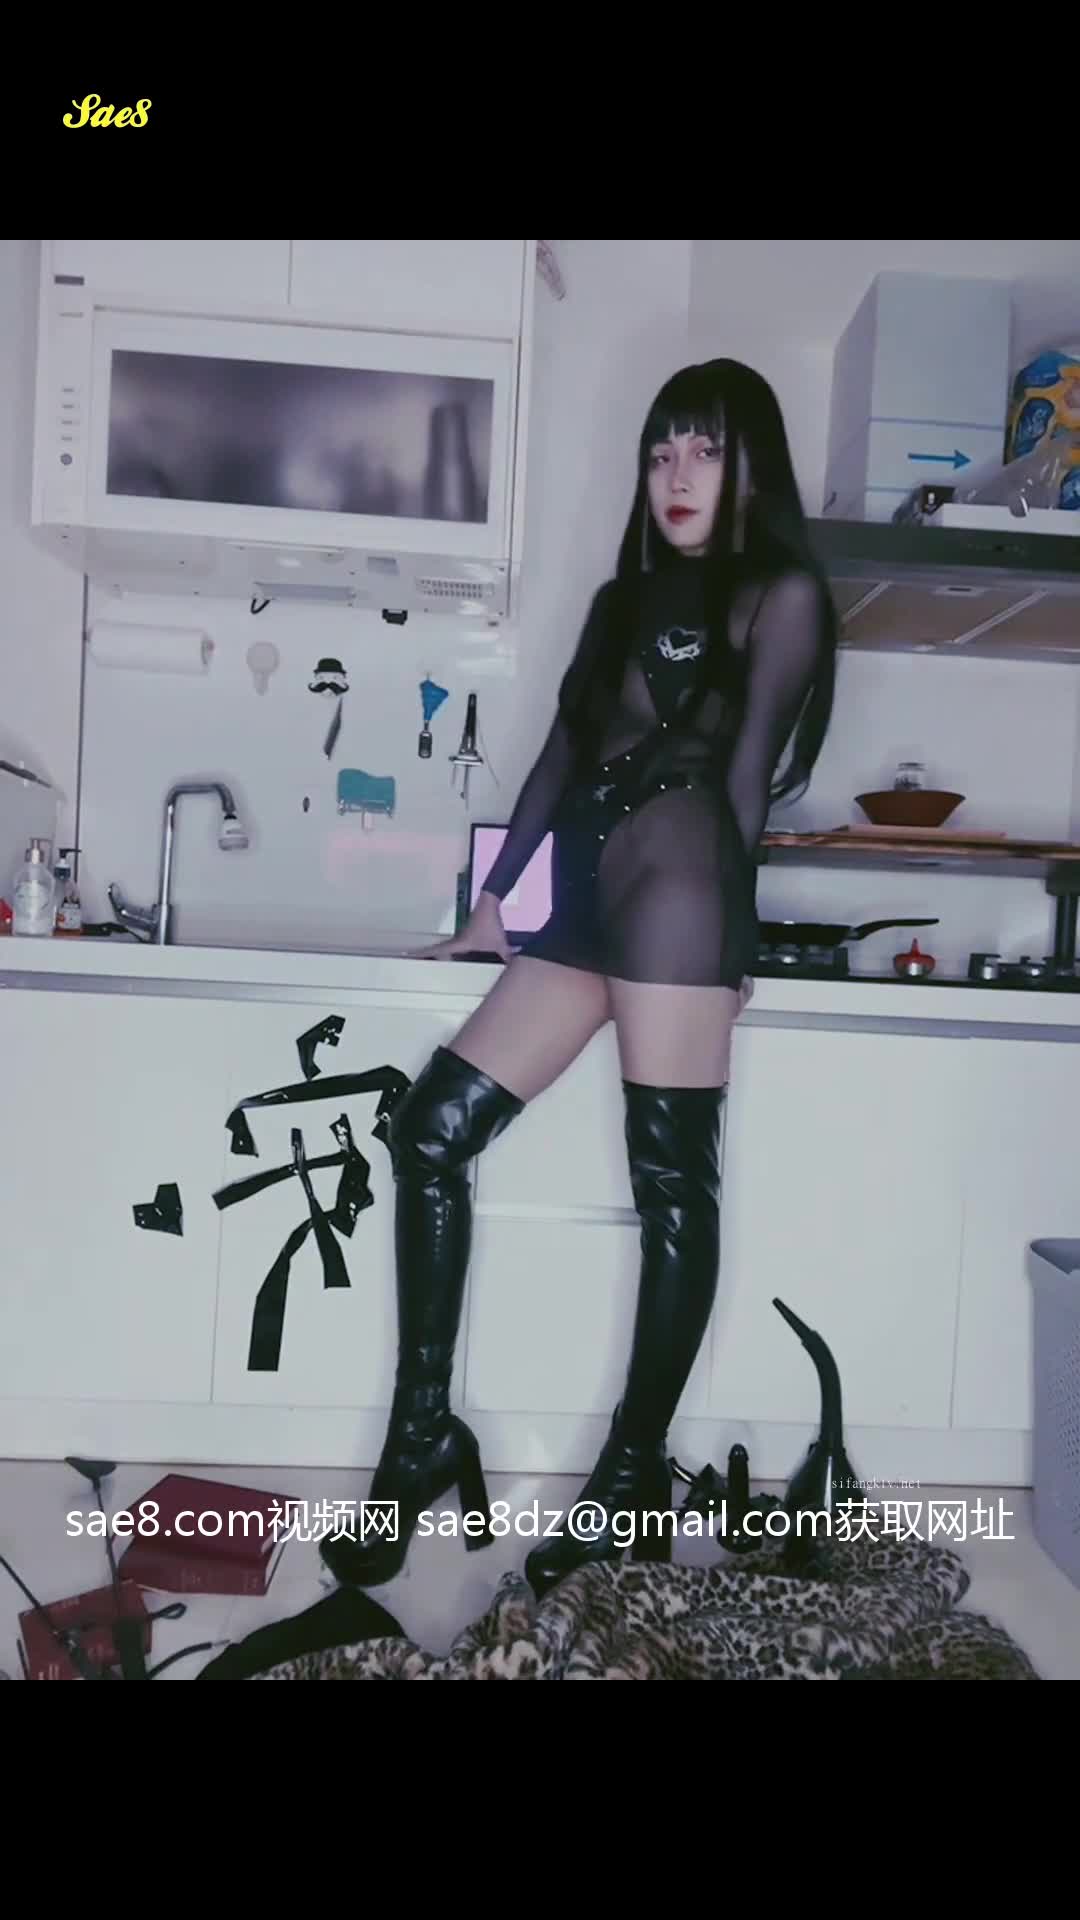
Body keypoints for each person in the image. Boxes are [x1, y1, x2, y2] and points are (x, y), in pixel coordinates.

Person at [320, 357, 838, 1597]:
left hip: (685, 894)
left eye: (704, 449)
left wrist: (730, 949)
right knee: (430, 1131)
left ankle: (628, 1479)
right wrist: (492, 908)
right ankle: (422, 1435)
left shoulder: (780, 595)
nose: (677, 474)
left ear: (750, 464)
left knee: (671, 1183)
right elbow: (562, 755)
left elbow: (747, 778)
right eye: (662, 451)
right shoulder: (621, 602)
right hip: (592, 904)